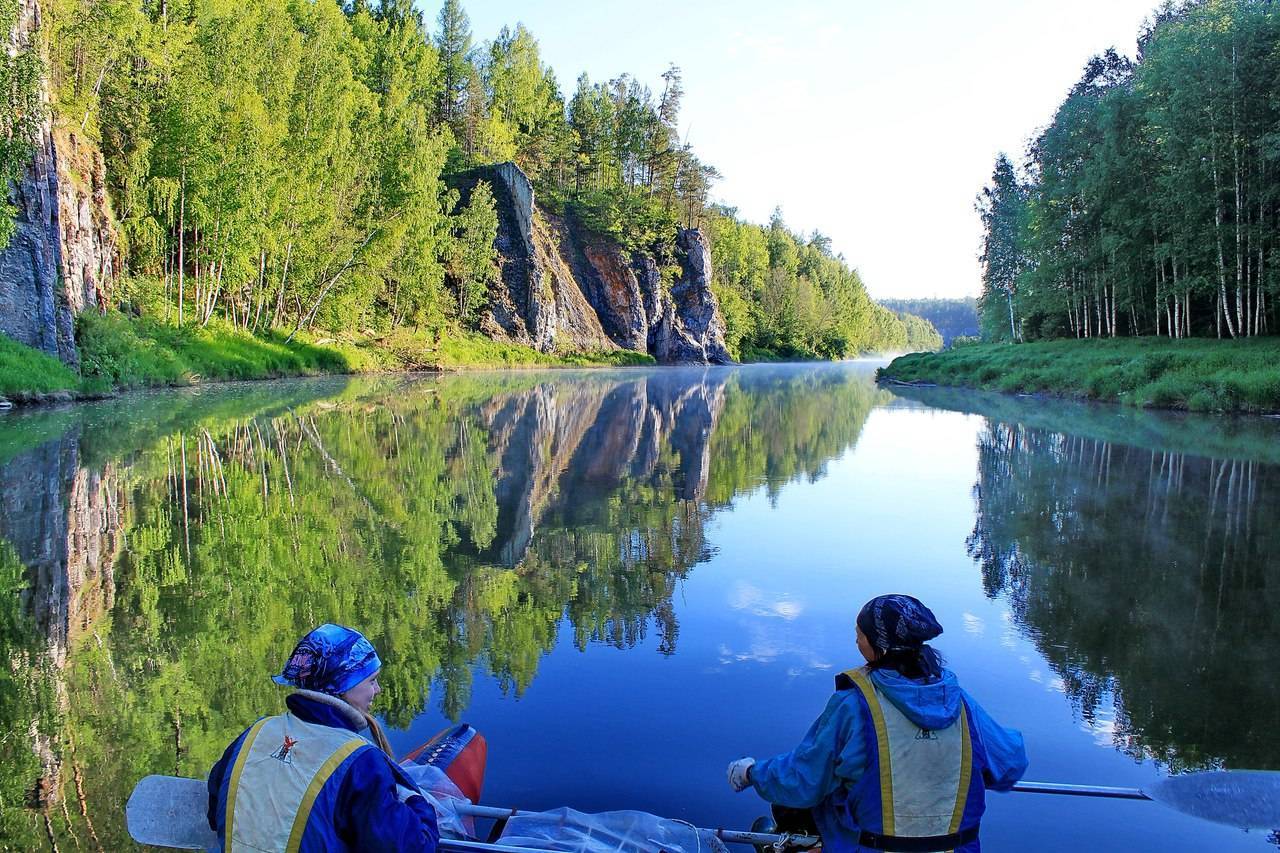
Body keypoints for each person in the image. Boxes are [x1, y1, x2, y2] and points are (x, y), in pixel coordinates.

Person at [726, 594, 1027, 852]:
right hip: (955, 848)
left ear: (876, 646)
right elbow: (1010, 764)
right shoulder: (961, 704)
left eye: (859, 633)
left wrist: (752, 773)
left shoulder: (854, 706)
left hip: (872, 847)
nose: (856, 639)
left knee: (796, 805)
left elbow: (805, 780)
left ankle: (789, 843)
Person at [207, 624, 439, 852]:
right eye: (371, 680)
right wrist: (416, 803)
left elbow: (215, 814)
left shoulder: (255, 733)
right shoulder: (360, 761)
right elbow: (414, 846)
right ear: (343, 686)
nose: (376, 690)